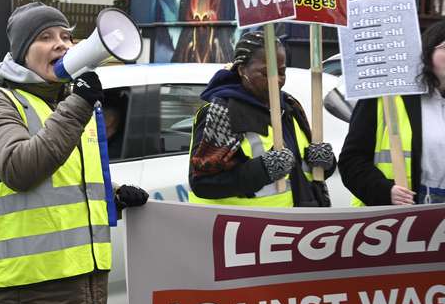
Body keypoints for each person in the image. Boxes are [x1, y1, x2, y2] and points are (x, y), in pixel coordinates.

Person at [0, 2, 148, 304]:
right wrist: (78, 105)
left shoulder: (69, 104)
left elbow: (64, 181)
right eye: (45, 37)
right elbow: (20, 168)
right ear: (21, 52)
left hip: (81, 289)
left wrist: (113, 194)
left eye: (65, 35)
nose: (61, 43)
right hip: (25, 296)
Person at [188, 31, 336, 207]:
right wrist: (264, 169)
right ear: (243, 70)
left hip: (299, 224)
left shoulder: (289, 105)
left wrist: (327, 163)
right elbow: (203, 184)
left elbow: (303, 170)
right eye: (266, 73)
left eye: (282, 72)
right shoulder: (223, 112)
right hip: (249, 227)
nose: (277, 80)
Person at [339, 21, 445, 206]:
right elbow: (351, 161)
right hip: (395, 216)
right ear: (428, 52)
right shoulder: (386, 96)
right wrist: (383, 191)